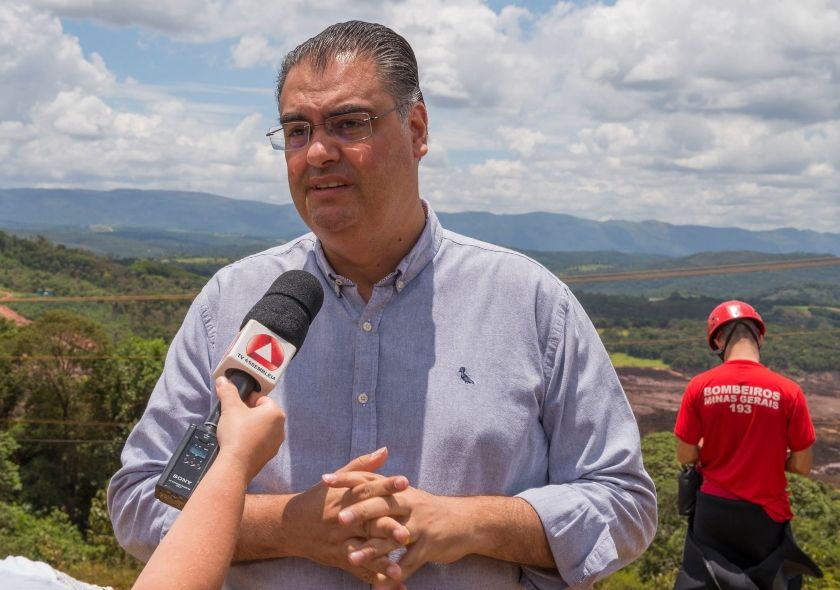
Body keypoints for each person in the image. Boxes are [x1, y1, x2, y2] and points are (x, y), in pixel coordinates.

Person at [108, 20, 656, 590]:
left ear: (416, 129)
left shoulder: (532, 303)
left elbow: (624, 504)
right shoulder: (231, 302)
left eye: (349, 123)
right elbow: (141, 500)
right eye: (297, 130)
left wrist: (467, 523)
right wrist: (290, 525)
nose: (318, 152)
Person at [673, 300, 822, 589]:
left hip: (711, 511)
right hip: (764, 515)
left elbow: (685, 454)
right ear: (761, 336)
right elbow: (803, 466)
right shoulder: (789, 392)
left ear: (717, 340)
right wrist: (766, 457)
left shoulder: (700, 386)